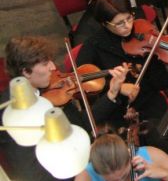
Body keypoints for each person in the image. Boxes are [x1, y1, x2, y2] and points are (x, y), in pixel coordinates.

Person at [76, 0, 168, 162]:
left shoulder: (142, 34)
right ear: (104, 23)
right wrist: (117, 89)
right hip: (115, 111)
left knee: (159, 138)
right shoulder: (92, 47)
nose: (127, 26)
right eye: (119, 23)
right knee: (125, 154)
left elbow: (157, 81)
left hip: (149, 102)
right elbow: (87, 91)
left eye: (129, 18)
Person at [1, 36, 138, 181]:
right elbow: (33, 173)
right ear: (26, 72)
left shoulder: (45, 90)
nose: (53, 67)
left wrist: (112, 93)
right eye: (45, 63)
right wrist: (82, 156)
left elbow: (80, 123)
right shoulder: (14, 117)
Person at [76, 133, 168, 181]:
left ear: (129, 155)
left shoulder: (149, 154)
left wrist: (165, 173)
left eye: (124, 176)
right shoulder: (86, 174)